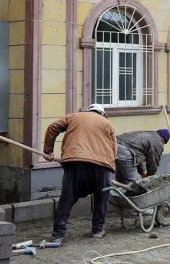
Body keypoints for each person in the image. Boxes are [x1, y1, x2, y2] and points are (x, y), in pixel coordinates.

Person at [43, 104, 116, 245]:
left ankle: (58, 235)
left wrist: (48, 150)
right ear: (102, 113)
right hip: (101, 165)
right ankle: (98, 230)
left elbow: (53, 127)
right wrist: (111, 168)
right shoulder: (107, 123)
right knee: (101, 198)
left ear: (88, 110)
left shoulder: (74, 116)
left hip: (75, 161)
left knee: (67, 198)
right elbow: (114, 148)